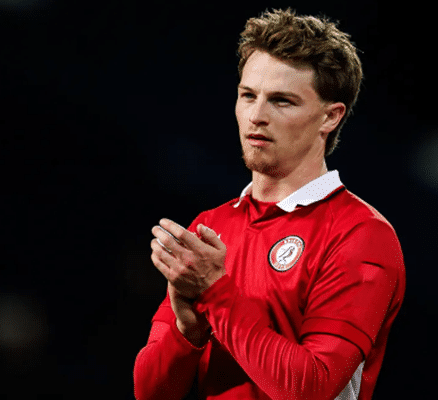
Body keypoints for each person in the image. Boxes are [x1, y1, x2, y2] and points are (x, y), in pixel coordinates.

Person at [134, 8, 405, 400]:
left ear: (330, 117)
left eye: (282, 101)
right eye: (248, 96)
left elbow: (312, 388)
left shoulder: (362, 235)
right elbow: (150, 392)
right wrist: (186, 331)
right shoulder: (211, 227)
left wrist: (215, 293)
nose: (256, 116)